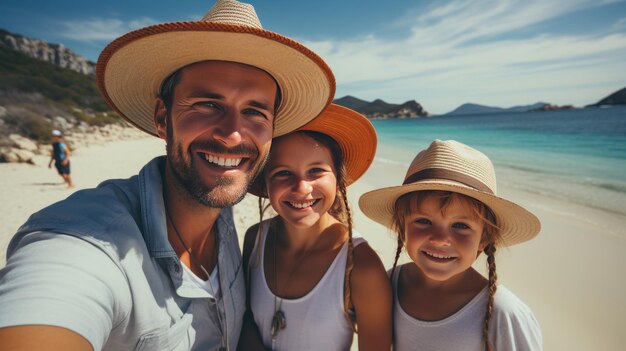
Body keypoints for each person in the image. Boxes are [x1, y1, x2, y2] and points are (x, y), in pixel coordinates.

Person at [0, 0, 335, 350]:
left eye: (254, 111)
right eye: (208, 104)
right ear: (162, 117)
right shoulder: (87, 242)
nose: (233, 134)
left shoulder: (222, 209)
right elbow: (51, 296)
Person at [359, 139, 543, 351]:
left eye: (460, 225)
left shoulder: (502, 313)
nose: (439, 239)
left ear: (484, 238)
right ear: (402, 227)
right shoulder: (390, 284)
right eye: (423, 221)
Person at [238, 104, 392, 351]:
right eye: (282, 173)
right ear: (265, 183)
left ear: (339, 180)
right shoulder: (256, 238)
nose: (301, 188)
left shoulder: (361, 265)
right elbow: (245, 321)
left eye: (316, 171)